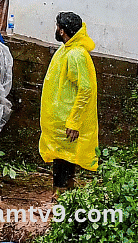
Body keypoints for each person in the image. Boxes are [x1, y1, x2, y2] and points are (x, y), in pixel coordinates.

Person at [40, 12, 98, 189]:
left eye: (57, 27)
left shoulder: (76, 55)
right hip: (60, 119)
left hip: (67, 121)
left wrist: (74, 121)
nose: (56, 30)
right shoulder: (67, 49)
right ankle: (66, 195)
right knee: (63, 158)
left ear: (63, 31)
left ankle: (59, 198)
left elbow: (86, 89)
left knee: (63, 160)